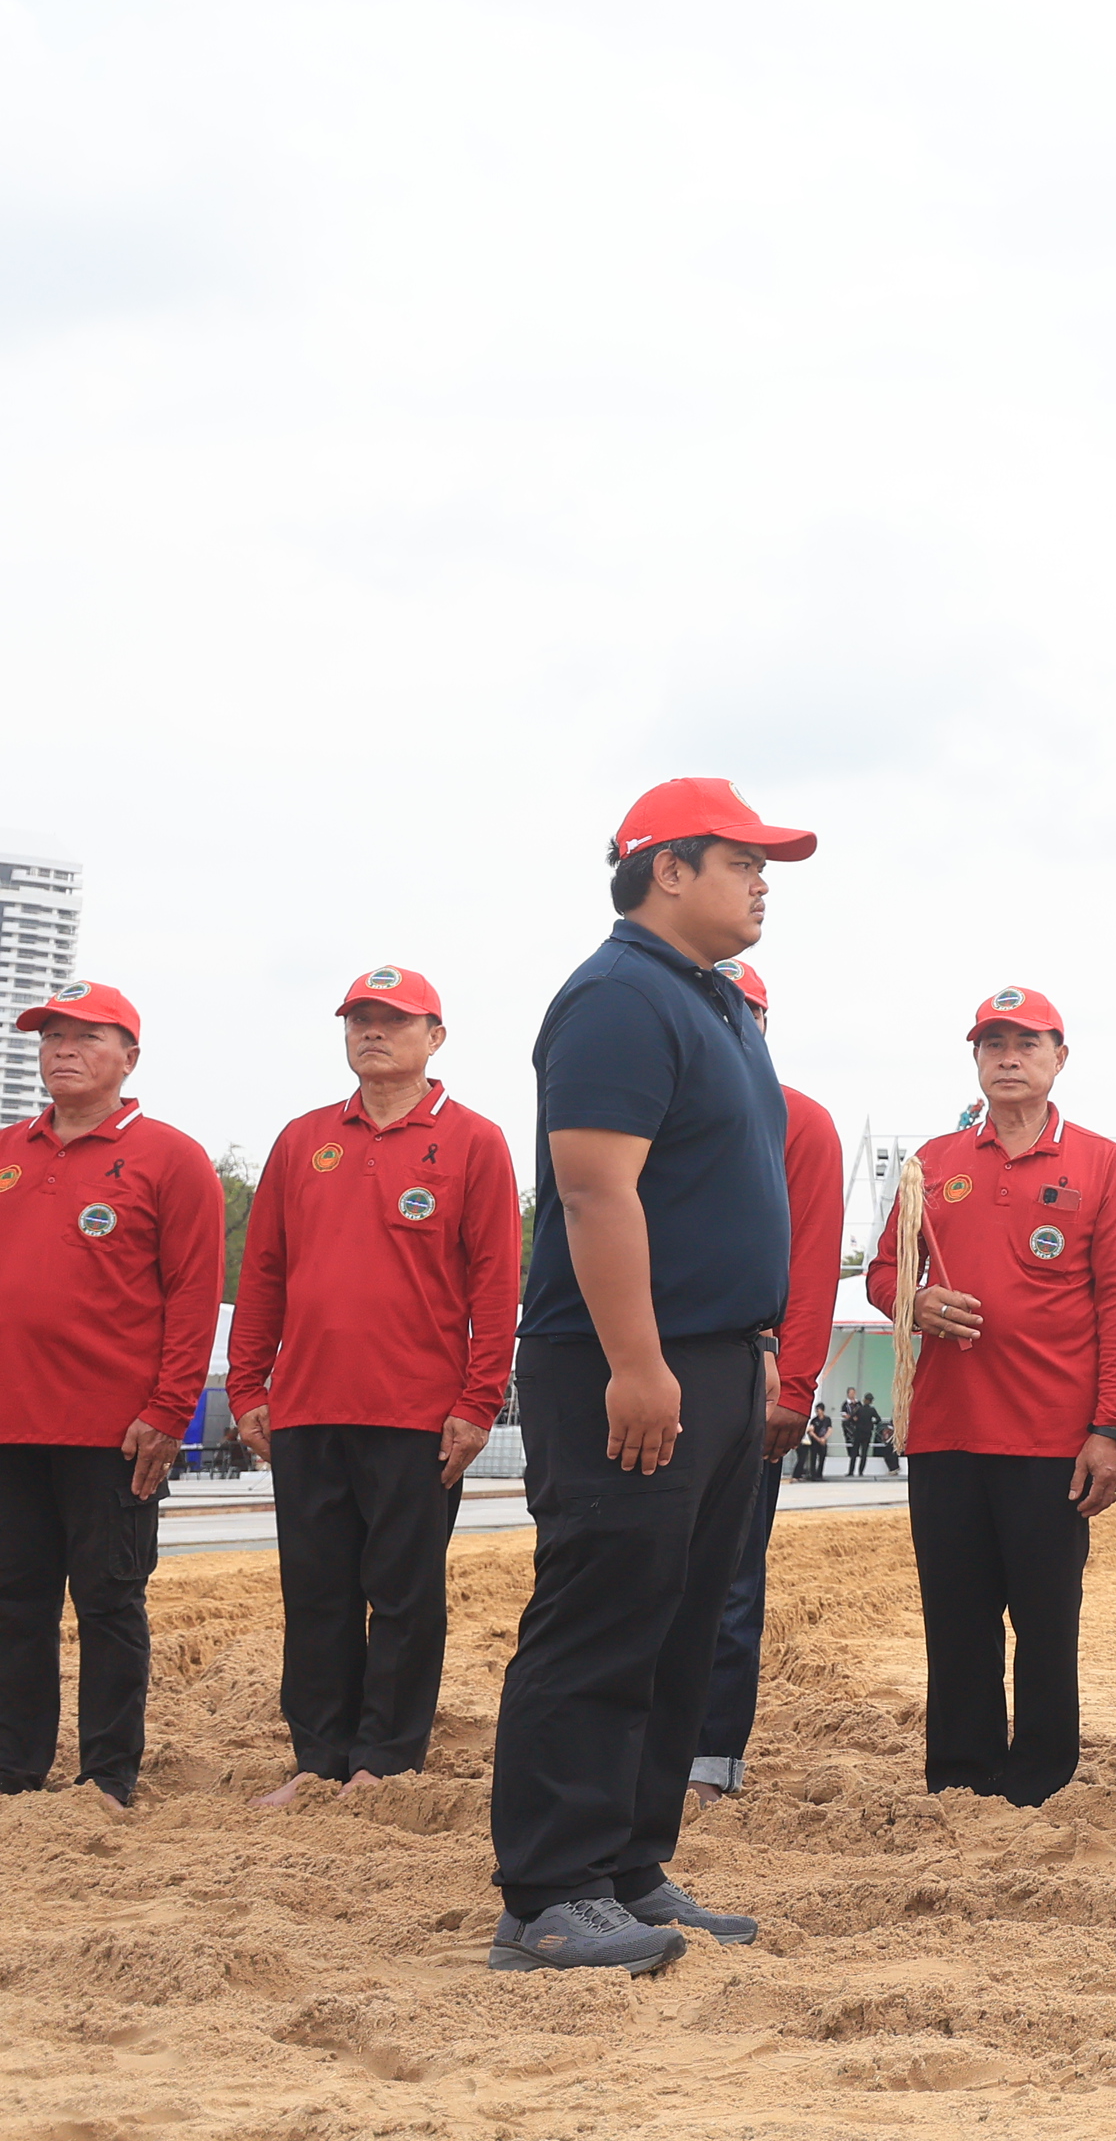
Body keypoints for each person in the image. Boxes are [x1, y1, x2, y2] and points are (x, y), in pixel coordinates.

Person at [486, 778, 813, 1977]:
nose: (763, 879)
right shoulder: (619, 997)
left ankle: (627, 1860)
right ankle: (551, 1890)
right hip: (626, 1362)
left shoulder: (711, 1002)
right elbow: (593, 1190)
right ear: (667, 868)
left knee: (679, 1621)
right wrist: (637, 1360)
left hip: (714, 1360)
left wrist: (747, 1349)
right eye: (743, 859)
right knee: (603, 1617)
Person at [228, 966, 520, 1806]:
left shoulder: (473, 1141)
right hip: (309, 1407)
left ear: (436, 1036)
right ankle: (317, 1759)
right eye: (358, 1018)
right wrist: (249, 1382)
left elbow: (496, 1285)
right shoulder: (303, 1139)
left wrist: (476, 1402)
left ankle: (383, 1764)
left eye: (392, 1019)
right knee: (315, 1591)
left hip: (416, 1415)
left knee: (403, 1594)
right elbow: (266, 1273)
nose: (371, 1032)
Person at [869, 986, 1116, 1806]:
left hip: (1051, 1440)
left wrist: (1111, 1428)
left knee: (1045, 1620)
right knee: (956, 1619)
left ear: (1061, 1057)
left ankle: (1040, 1780)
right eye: (993, 1044)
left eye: (1027, 1042)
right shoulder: (935, 1163)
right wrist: (912, 1301)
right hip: (948, 1434)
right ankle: (960, 1775)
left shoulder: (1100, 1163)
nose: (1009, 1056)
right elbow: (884, 1270)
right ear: (976, 1060)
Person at [0, 982, 224, 1808]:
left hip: (112, 1431)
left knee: (108, 1603)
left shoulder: (171, 1157)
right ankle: (15, 1769)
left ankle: (106, 1777)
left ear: (129, 1057)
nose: (63, 1047)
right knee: (13, 1603)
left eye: (86, 1036)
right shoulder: (8, 1152)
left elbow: (194, 1294)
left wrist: (169, 1411)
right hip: (10, 1426)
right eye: (51, 1034)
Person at [682, 955, 845, 1804]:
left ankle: (712, 1758)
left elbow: (814, 1262)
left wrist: (797, 1384)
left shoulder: (801, 1123)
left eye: (742, 1010)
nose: (727, 1021)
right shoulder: (659, 1104)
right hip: (658, 1370)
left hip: (753, 1372)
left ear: (763, 1027)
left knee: (733, 1571)